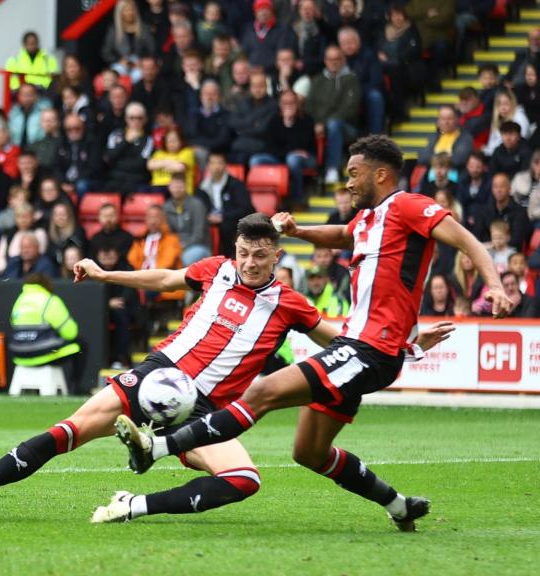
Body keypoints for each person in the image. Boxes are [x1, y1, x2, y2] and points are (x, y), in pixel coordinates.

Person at [0, 213, 452, 522]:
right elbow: (162, 279)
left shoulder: (291, 304)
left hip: (205, 410)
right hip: (158, 373)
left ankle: (133, 504)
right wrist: (105, 274)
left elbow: (344, 343)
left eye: (261, 256)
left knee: (245, 479)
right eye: (245, 253)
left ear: (277, 257)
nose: (251, 263)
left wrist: (408, 344)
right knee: (71, 429)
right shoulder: (214, 271)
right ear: (235, 251)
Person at [114, 135, 513, 531]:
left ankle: (157, 447)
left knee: (262, 392)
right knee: (309, 452)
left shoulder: (408, 205)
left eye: (354, 174)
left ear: (382, 173)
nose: (349, 183)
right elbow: (342, 235)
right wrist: (299, 231)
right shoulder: (368, 220)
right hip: (361, 346)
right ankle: (399, 506)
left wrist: (493, 284)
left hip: (368, 349)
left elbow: (464, 238)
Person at [7, 272, 82, 384]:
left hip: (18, 354)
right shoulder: (50, 300)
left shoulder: (19, 300)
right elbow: (71, 333)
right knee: (81, 345)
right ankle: (75, 388)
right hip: (42, 354)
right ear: (47, 285)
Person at [308, 46, 361, 186]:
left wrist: (323, 123)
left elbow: (350, 109)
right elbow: (309, 106)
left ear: (343, 60)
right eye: (330, 59)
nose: (333, 62)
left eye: (337, 59)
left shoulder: (351, 79)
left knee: (334, 124)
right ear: (325, 61)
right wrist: (316, 123)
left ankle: (332, 168)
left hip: (347, 127)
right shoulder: (317, 80)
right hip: (319, 125)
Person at [196, 151, 251, 257]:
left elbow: (246, 208)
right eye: (213, 163)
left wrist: (223, 217)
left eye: (219, 163)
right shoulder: (202, 188)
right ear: (207, 166)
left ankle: (227, 257)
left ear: (226, 165)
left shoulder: (236, 184)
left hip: (231, 220)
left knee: (226, 226)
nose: (216, 166)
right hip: (210, 219)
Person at [164, 173, 210, 266]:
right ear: (169, 188)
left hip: (198, 246)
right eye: (174, 186)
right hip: (174, 246)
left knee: (184, 259)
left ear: (186, 186)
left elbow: (199, 235)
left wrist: (181, 246)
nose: (177, 190)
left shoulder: (197, 205)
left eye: (180, 186)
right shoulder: (166, 206)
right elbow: (166, 231)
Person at [416, 106, 474, 171]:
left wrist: (435, 159)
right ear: (438, 121)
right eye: (443, 119)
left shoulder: (465, 137)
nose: (446, 122)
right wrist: (446, 157)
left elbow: (459, 159)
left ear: (457, 119)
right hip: (432, 174)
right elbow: (422, 157)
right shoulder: (435, 137)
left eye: (449, 118)